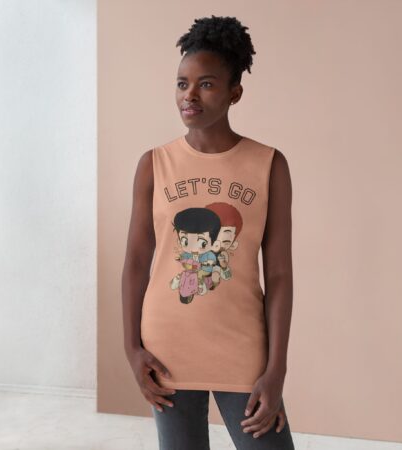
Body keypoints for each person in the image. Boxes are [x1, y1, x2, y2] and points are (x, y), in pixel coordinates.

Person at [122, 15, 295, 449]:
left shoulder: (269, 164)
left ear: (235, 92)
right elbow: (137, 263)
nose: (190, 95)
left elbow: (278, 275)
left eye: (207, 84)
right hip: (166, 351)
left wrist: (276, 369)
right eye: (182, 84)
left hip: (242, 348)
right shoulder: (154, 164)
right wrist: (131, 349)